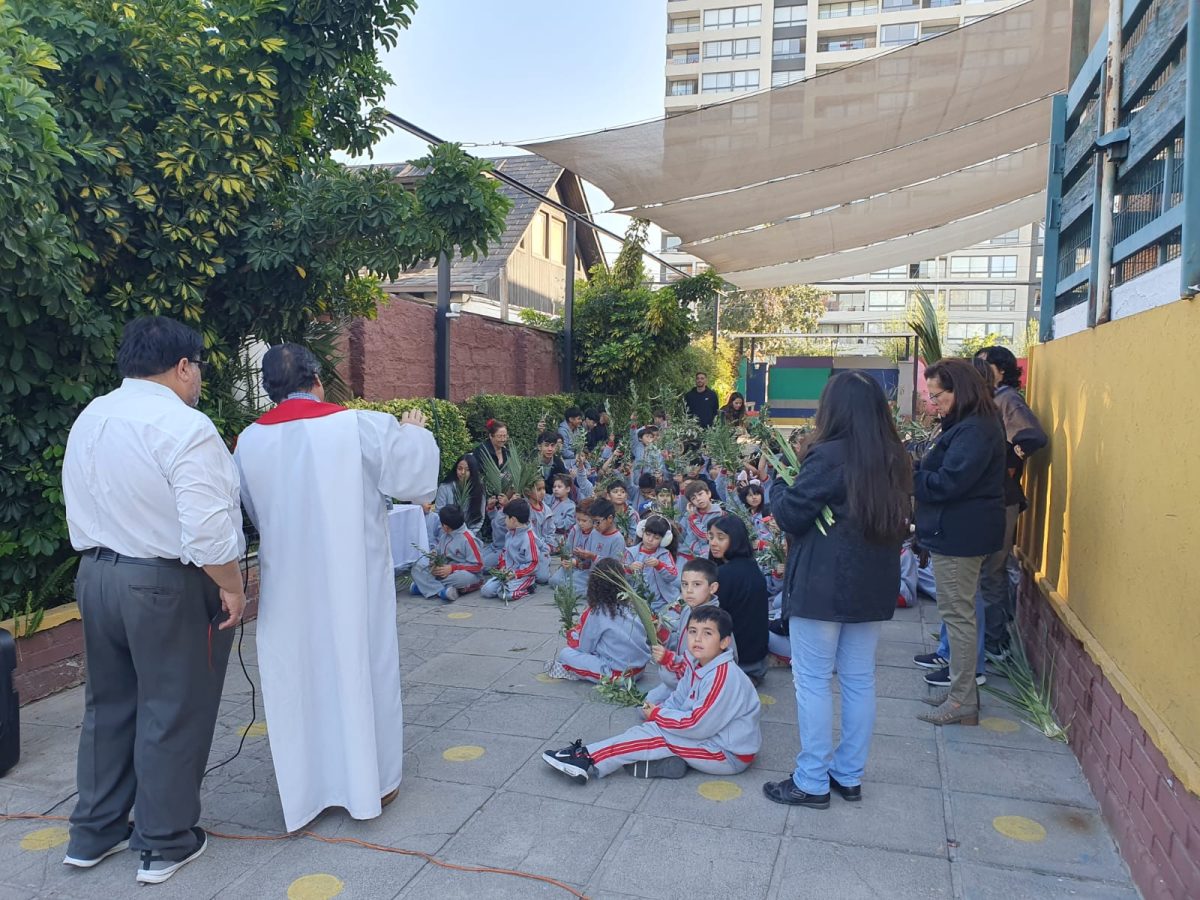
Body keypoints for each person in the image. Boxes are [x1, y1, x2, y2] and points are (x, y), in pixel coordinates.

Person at [61, 316, 245, 885]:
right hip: (163, 583)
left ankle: (94, 831)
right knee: (173, 706)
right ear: (184, 366)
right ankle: (165, 841)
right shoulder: (185, 427)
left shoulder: (92, 416)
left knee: (108, 705)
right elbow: (208, 529)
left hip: (96, 576)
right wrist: (234, 587)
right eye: (199, 370)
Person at [234, 343, 438, 834]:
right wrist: (413, 429)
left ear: (269, 389)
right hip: (352, 581)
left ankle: (308, 791)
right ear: (317, 380)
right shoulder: (357, 426)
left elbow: (253, 513)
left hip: (289, 582)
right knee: (361, 669)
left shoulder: (247, 441)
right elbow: (414, 479)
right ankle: (374, 782)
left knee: (299, 676)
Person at [762, 371, 913, 809]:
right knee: (859, 679)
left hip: (823, 584)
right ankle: (848, 775)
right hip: (872, 584)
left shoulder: (828, 455)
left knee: (811, 681)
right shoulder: (895, 458)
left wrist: (775, 484)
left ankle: (811, 780)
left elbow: (792, 514)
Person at [542, 607, 761, 782]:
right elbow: (679, 697)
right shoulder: (697, 662)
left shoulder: (722, 675)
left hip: (728, 754)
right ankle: (593, 755)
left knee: (658, 736)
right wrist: (660, 714)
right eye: (693, 631)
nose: (697, 639)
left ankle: (587, 758)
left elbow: (697, 725)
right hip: (711, 737)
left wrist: (658, 715)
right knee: (651, 729)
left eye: (708, 634)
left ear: (724, 642)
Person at [914, 358, 1006, 727]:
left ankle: (963, 701)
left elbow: (949, 482)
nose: (935, 403)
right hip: (955, 531)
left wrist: (911, 476)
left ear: (961, 390)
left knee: (958, 616)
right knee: (957, 614)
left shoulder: (976, 429)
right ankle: (960, 692)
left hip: (960, 534)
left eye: (939, 395)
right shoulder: (967, 424)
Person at [974, 345, 1047, 658]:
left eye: (984, 365)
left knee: (992, 571)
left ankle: (995, 642)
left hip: (1002, 497)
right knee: (988, 571)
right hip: (992, 499)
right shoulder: (991, 400)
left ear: (1000, 370)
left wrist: (1009, 461)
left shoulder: (1007, 399)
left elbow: (1032, 437)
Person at [545, 558, 651, 682]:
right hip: (640, 669)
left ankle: (571, 671)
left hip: (620, 675)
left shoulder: (597, 612)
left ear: (594, 584)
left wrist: (575, 635)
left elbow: (585, 648)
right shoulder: (632, 605)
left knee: (566, 654)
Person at [647, 558, 725, 704]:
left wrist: (668, 659)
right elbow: (678, 640)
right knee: (645, 704)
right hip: (680, 676)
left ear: (712, 588)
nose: (688, 590)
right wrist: (661, 633)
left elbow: (702, 664)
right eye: (684, 584)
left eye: (697, 584)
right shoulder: (688, 610)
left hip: (699, 684)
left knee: (653, 710)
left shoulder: (712, 622)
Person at [707, 514, 769, 682]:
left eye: (721, 538)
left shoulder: (725, 575)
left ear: (735, 540)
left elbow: (709, 617)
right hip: (757, 660)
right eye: (711, 536)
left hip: (738, 664)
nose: (713, 542)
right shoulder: (751, 565)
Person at [410, 506, 486, 602]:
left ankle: (426, 587)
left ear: (445, 527)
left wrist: (452, 568)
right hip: (444, 570)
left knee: (459, 578)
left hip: (465, 573)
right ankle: (442, 591)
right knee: (417, 567)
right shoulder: (445, 535)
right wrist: (433, 561)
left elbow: (479, 566)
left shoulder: (468, 539)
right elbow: (437, 552)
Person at [480, 498, 540, 601]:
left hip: (523, 576)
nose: (505, 520)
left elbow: (533, 564)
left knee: (503, 594)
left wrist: (516, 574)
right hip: (507, 573)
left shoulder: (528, 537)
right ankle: (507, 587)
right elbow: (504, 553)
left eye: (506, 517)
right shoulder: (509, 534)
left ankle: (528, 588)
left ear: (513, 520)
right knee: (486, 590)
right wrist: (503, 567)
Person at [624, 515, 681, 612]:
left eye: (656, 537)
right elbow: (622, 577)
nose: (650, 540)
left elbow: (672, 575)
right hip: (637, 601)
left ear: (664, 540)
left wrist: (659, 565)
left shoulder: (664, 554)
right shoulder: (630, 553)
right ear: (641, 532)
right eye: (647, 534)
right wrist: (629, 569)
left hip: (662, 602)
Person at [550, 499, 600, 595]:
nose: (580, 523)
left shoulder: (596, 533)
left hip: (587, 570)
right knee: (554, 581)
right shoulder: (575, 529)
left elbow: (592, 561)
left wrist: (576, 563)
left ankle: (593, 591)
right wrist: (565, 560)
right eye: (578, 519)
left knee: (569, 587)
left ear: (593, 519)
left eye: (584, 520)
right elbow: (568, 550)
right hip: (572, 565)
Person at [435, 454, 486, 529]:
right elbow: (438, 513)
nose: (463, 472)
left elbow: (479, 518)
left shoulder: (478, 489)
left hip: (470, 535)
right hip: (447, 532)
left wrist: (468, 536)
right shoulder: (445, 487)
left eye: (467, 470)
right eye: (460, 468)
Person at [679, 479, 722, 561]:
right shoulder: (689, 514)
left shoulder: (718, 514)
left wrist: (693, 519)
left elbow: (705, 537)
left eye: (700, 494)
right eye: (693, 498)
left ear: (709, 493)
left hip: (706, 554)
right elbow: (681, 536)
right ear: (691, 502)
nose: (698, 499)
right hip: (686, 553)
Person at [546, 473, 577, 540]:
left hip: (560, 537)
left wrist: (551, 521)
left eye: (559, 487)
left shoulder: (571, 506)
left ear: (568, 489)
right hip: (547, 533)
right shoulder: (551, 499)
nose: (556, 489)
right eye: (554, 487)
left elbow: (567, 524)